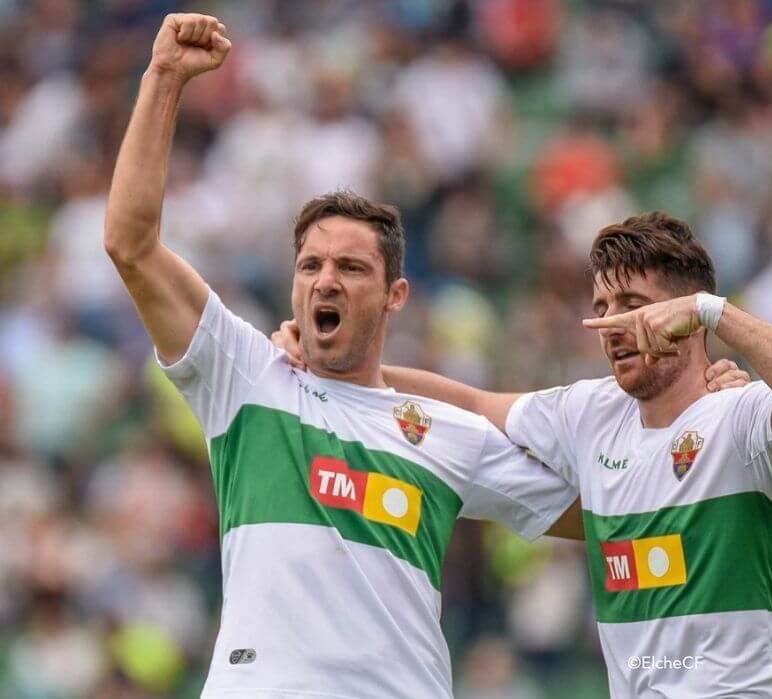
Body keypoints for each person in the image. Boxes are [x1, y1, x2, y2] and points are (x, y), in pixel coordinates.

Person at [103, 14, 586, 698]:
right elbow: (130, 243)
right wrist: (162, 80)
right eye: (310, 265)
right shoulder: (245, 375)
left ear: (395, 295)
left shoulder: (443, 432)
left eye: (351, 268)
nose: (325, 279)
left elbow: (606, 514)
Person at [275, 212, 772, 697]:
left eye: (632, 305)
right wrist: (341, 369)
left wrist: (715, 311)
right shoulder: (590, 413)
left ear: (682, 314)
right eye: (602, 307)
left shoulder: (743, 416)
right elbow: (476, 402)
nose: (612, 324)